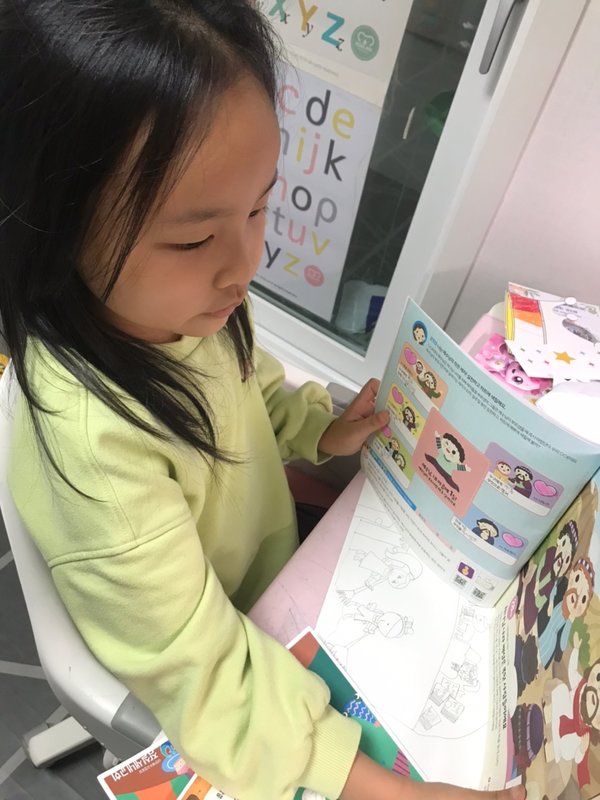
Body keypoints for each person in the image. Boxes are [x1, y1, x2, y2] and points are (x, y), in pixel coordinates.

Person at [0, 3, 525, 800]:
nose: (245, 264)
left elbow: (249, 387)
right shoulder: (94, 447)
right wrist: (396, 793)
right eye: (193, 238)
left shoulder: (187, 307)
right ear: (51, 225)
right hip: (216, 665)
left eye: (259, 207)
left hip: (273, 582)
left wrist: (318, 428)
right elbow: (206, 674)